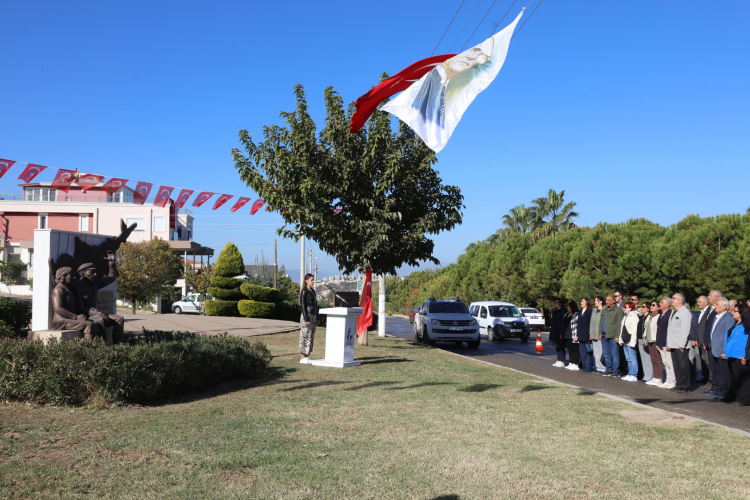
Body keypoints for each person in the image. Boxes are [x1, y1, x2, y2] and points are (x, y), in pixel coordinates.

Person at [75, 260, 125, 344]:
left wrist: (111, 263)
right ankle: (103, 347)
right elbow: (80, 307)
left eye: (95, 272)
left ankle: (117, 346)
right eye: (92, 272)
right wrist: (98, 314)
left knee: (119, 319)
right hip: (85, 316)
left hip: (95, 314)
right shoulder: (78, 287)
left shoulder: (94, 284)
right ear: (83, 273)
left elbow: (111, 278)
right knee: (100, 320)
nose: (95, 274)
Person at [50, 267, 98, 339]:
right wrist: (75, 317)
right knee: (89, 325)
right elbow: (58, 308)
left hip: (69, 319)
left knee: (96, 322)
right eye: (71, 275)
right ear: (63, 276)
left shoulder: (68, 289)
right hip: (61, 321)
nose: (74, 277)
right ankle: (89, 348)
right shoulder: (58, 290)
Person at [706, 298, 735, 400]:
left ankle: (726, 392)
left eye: (717, 304)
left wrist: (725, 350)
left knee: (725, 373)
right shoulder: (716, 316)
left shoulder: (728, 318)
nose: (715, 306)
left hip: (721, 351)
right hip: (714, 349)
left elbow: (727, 337)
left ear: (725, 307)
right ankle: (720, 390)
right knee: (717, 372)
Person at [667, 293, 693, 393]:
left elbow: (685, 330)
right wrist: (668, 343)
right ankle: (679, 384)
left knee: (683, 366)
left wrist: (682, 344)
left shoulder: (685, 312)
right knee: (676, 366)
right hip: (673, 343)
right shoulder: (674, 311)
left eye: (674, 298)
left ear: (680, 300)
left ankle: (685, 385)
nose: (671, 300)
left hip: (680, 345)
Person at [725, 304, 749, 406]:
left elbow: (747, 342)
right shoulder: (734, 324)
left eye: (735, 311)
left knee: (743, 379)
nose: (732, 313)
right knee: (735, 377)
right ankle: (736, 396)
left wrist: (745, 356)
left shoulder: (746, 325)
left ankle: (743, 400)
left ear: (742, 313)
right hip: (732, 354)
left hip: (740, 355)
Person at [600, 295, 624, 376]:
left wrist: (617, 336)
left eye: (608, 300)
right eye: (606, 300)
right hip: (604, 335)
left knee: (614, 354)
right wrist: (600, 333)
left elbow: (619, 325)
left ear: (613, 301)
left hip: (613, 336)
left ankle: (616, 370)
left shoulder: (618, 311)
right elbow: (601, 322)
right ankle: (608, 369)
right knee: (606, 354)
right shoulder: (604, 310)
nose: (606, 301)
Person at [298, 273, 319, 364]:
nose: (313, 281)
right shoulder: (304, 291)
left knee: (311, 336)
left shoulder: (313, 292)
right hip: (307, 315)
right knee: (304, 336)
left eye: (313, 279)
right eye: (311, 280)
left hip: (313, 315)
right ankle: (302, 357)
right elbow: (303, 306)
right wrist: (306, 319)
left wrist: (317, 317)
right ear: (306, 280)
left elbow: (316, 305)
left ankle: (307, 355)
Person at [656, 297, 675, 389]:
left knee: (670, 362)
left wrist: (669, 343)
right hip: (660, 342)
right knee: (665, 362)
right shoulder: (661, 314)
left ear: (668, 304)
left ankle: (672, 381)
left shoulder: (670, 314)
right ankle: (668, 380)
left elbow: (670, 330)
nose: (660, 304)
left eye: (662, 303)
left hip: (667, 342)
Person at [693, 295, 713, 384]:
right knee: (701, 358)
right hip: (700, 340)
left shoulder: (710, 312)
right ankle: (705, 376)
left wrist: (706, 340)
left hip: (705, 340)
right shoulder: (701, 312)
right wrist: (696, 338)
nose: (698, 304)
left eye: (700, 302)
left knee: (708, 360)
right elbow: (699, 327)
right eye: (698, 302)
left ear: (706, 302)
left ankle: (711, 377)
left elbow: (708, 328)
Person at [618, 301, 640, 381]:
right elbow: (622, 329)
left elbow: (634, 331)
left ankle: (634, 375)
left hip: (630, 341)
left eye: (625, 307)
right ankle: (630, 373)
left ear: (630, 308)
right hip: (625, 340)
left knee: (632, 358)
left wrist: (633, 342)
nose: (623, 308)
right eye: (623, 307)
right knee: (628, 358)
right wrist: (620, 339)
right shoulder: (625, 316)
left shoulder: (634, 317)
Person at [644, 301, 664, 385]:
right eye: (651, 305)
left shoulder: (659, 316)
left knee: (658, 360)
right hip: (649, 340)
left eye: (653, 305)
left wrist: (659, 342)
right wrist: (644, 339)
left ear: (658, 307)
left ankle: (659, 378)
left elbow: (660, 330)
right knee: (653, 360)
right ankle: (655, 377)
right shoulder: (649, 316)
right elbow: (646, 328)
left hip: (655, 340)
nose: (651, 306)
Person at [636, 303, 653, 382]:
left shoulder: (649, 317)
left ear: (648, 308)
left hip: (645, 339)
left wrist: (645, 340)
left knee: (647, 358)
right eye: (641, 306)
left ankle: (649, 376)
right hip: (639, 339)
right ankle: (646, 375)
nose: (641, 308)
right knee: (643, 359)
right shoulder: (642, 317)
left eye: (643, 307)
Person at [590, 296, 606, 374]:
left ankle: (603, 368)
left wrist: (601, 333)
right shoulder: (594, 310)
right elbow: (591, 322)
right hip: (594, 334)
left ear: (601, 301)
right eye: (595, 300)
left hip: (600, 334)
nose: (595, 302)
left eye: (596, 300)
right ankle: (598, 367)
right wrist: (590, 333)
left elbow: (602, 323)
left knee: (601, 352)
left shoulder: (604, 310)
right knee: (596, 352)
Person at [550, 299, 568, 368]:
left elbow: (562, 322)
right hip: (555, 329)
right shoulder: (555, 311)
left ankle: (562, 360)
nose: (555, 304)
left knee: (561, 346)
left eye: (556, 302)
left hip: (559, 329)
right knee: (556, 345)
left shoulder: (563, 311)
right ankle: (559, 360)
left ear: (560, 304)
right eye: (555, 302)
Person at [563, 300, 580, 371]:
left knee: (574, 350)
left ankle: (575, 364)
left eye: (569, 307)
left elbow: (578, 326)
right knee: (569, 349)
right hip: (566, 334)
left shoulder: (576, 315)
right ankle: (571, 362)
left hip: (573, 334)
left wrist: (577, 335)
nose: (568, 308)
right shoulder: (566, 314)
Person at [578, 298, 593, 372]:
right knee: (582, 352)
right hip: (581, 335)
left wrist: (591, 334)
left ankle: (588, 367)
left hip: (587, 335)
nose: (581, 302)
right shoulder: (580, 312)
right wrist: (577, 335)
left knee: (588, 351)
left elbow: (591, 324)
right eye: (581, 301)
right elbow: (578, 325)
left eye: (583, 301)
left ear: (587, 303)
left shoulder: (589, 312)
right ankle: (584, 366)